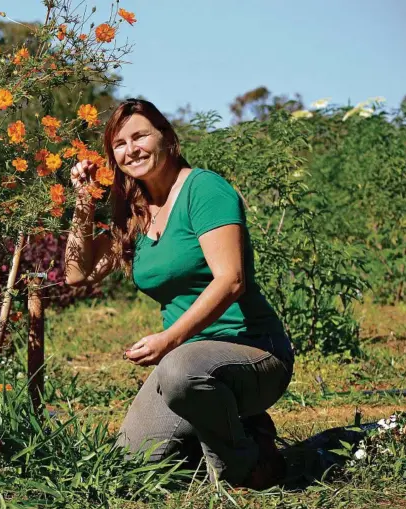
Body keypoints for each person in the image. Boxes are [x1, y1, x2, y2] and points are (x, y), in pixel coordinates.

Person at [65, 98, 294, 489]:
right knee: (130, 466)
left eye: (140, 136)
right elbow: (76, 274)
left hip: (253, 351)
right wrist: (83, 203)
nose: (130, 149)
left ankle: (244, 465)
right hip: (187, 362)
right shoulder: (136, 213)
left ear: (167, 138)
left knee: (178, 370)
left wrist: (169, 339)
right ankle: (241, 428)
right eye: (119, 143)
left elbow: (231, 279)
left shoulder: (204, 189)